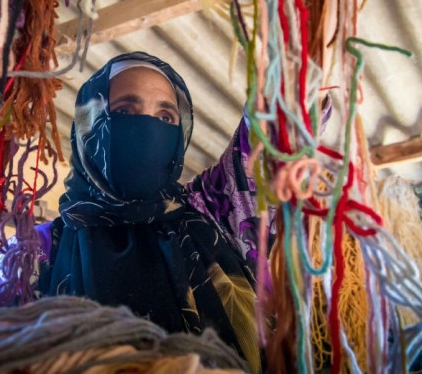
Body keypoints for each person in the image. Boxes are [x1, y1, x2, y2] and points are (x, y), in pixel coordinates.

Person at [31, 51, 267, 372]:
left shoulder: (210, 209)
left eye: (166, 117)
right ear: (90, 125)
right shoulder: (38, 250)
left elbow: (265, 141)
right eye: (126, 110)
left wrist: (292, 81)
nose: (148, 126)